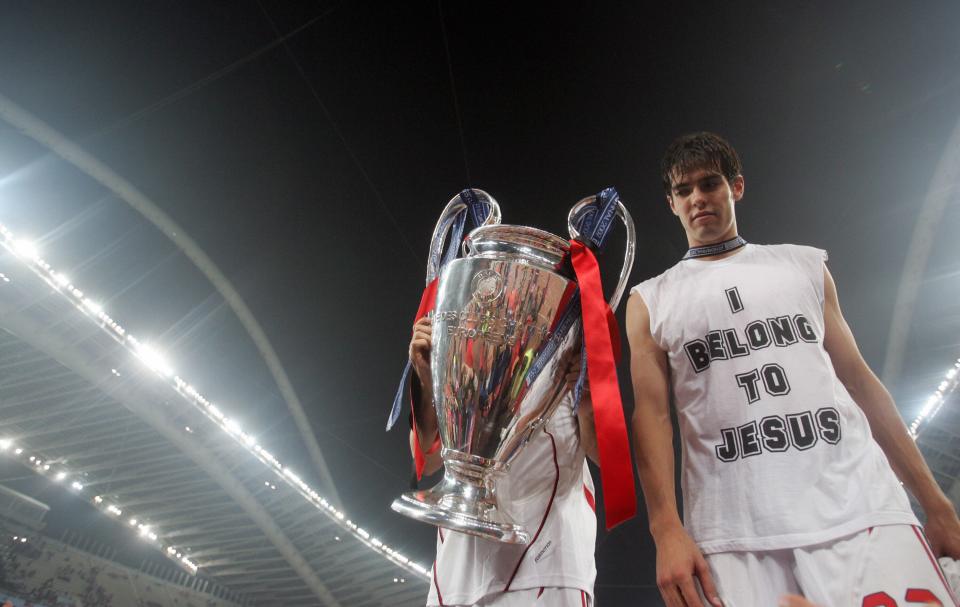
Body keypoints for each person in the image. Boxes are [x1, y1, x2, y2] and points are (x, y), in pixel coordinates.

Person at [626, 132, 960, 606]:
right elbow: (653, 420)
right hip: (734, 531)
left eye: (710, 183)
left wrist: (936, 503)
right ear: (671, 203)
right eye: (684, 190)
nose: (698, 198)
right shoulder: (650, 301)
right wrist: (666, 532)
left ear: (735, 187)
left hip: (859, 506)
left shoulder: (802, 266)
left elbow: (861, 383)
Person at [408, 315, 599, 606]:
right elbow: (427, 461)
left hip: (547, 559)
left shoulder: (572, 314)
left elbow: (604, 455)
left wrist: (587, 396)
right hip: (460, 566)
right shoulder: (452, 312)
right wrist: (426, 377)